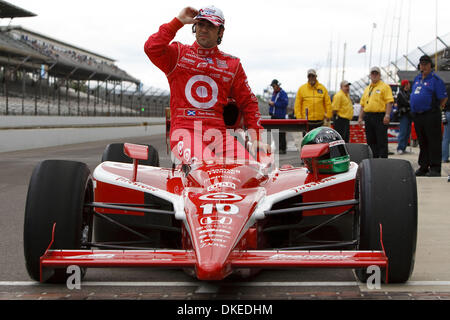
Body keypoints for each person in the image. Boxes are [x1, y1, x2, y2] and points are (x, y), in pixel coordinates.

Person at [144, 6, 270, 163]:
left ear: (220, 32)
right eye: (201, 24)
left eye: (210, 26)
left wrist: (256, 137)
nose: (204, 29)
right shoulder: (177, 53)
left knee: (250, 171)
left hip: (219, 135)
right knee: (206, 167)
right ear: (194, 27)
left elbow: (248, 102)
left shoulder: (232, 64)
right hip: (184, 132)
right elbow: (151, 48)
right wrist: (178, 22)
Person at [410, 55, 448, 177]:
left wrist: (436, 109)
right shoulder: (417, 79)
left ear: (430, 66)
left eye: (426, 64)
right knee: (423, 142)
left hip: (431, 115)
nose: (423, 66)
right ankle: (424, 167)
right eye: (421, 64)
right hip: (418, 116)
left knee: (434, 142)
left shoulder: (435, 80)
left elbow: (443, 98)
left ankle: (435, 168)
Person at [358, 66, 394, 158]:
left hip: (380, 116)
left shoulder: (385, 87)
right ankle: (373, 160)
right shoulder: (367, 88)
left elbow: (389, 101)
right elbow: (363, 104)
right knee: (370, 140)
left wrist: (387, 115)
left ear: (379, 75)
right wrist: (360, 117)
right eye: (372, 73)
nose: (374, 75)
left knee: (381, 140)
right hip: (369, 117)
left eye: (376, 73)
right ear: (370, 75)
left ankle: (382, 160)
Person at [294, 69, 332, 150]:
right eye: (309, 76)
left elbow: (327, 102)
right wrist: (299, 118)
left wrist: (329, 114)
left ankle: (318, 158)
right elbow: (297, 105)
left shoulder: (322, 88)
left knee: (320, 141)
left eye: (313, 76)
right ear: (307, 77)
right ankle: (306, 158)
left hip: (319, 121)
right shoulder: (302, 89)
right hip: (307, 122)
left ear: (316, 76)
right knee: (307, 141)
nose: (311, 78)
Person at [268, 79, 289, 154]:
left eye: (274, 86)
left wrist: (274, 104)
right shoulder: (274, 93)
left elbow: (285, 103)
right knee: (275, 133)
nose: (273, 87)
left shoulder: (282, 93)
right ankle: (277, 147)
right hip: (274, 115)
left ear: (277, 85)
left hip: (280, 116)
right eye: (272, 86)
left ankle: (282, 148)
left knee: (281, 133)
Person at [396, 80, 412, 155]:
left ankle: (404, 147)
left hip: (409, 114)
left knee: (407, 132)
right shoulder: (400, 94)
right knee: (403, 131)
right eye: (408, 84)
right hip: (403, 115)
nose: (409, 85)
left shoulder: (408, 93)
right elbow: (405, 103)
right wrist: (409, 103)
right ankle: (400, 147)